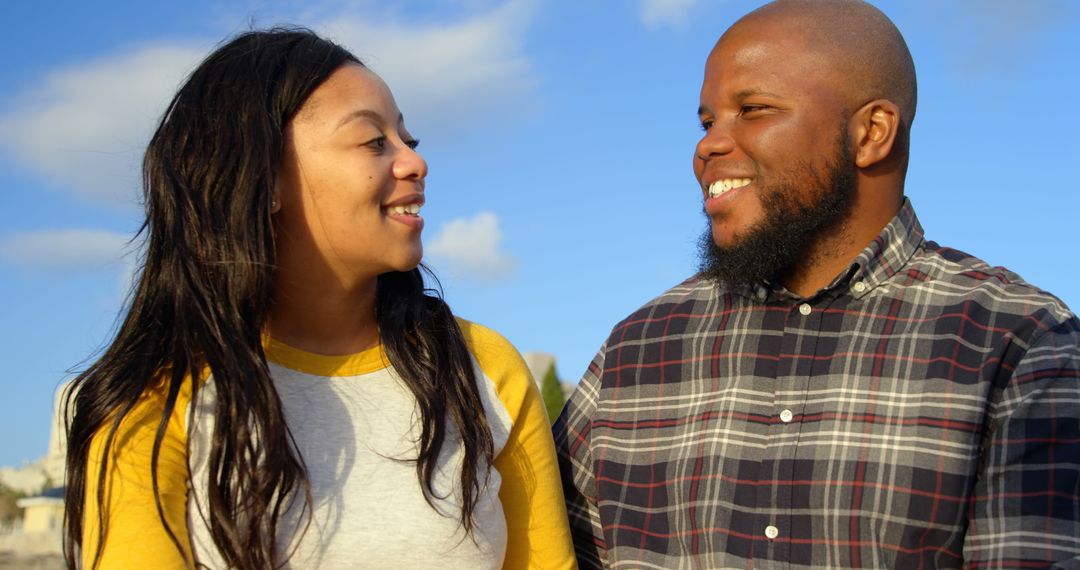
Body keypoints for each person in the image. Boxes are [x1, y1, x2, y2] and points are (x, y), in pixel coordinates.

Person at [553, 1, 1080, 568]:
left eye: (753, 109)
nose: (706, 146)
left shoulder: (1018, 342)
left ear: (872, 133)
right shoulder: (638, 349)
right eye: (708, 122)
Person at [63, 28, 575, 570]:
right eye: (374, 142)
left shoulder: (484, 367)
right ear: (263, 178)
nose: (414, 163)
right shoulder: (152, 403)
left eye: (409, 141)